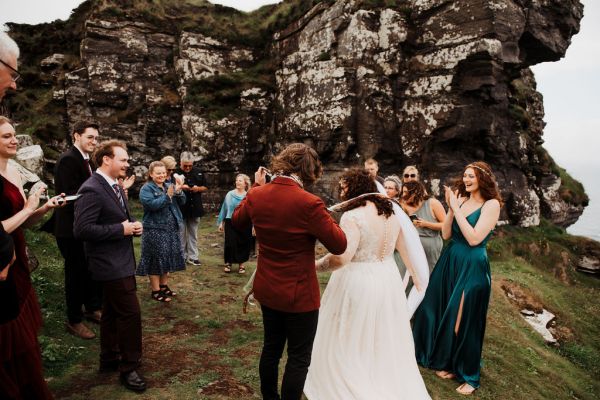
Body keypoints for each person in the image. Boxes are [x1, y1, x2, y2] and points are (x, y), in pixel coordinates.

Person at [232, 143, 347, 400]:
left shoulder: (258, 194)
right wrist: (326, 217)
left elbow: (238, 221)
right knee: (298, 357)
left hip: (268, 288)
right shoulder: (310, 203)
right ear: (309, 170)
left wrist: (255, 187)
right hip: (300, 296)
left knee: (271, 348)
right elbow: (339, 244)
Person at [303, 168, 431, 399]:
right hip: (387, 278)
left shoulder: (353, 216)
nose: (341, 192)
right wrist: (414, 276)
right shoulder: (392, 212)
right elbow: (404, 251)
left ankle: (353, 374)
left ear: (356, 188)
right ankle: (376, 373)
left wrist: (316, 265)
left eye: (344, 187)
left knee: (349, 331)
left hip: (357, 279)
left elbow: (343, 258)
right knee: (379, 332)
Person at [412, 161, 502, 395]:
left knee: (463, 319)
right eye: (465, 176)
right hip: (451, 259)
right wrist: (452, 208)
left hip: (472, 264)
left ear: (483, 179)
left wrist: (456, 207)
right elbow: (446, 233)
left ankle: (469, 377)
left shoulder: (491, 205)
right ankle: (449, 363)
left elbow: (474, 238)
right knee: (436, 309)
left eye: (471, 176)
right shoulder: (461, 200)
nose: (466, 180)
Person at [73, 140, 147, 393]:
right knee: (130, 314)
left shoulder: (114, 185)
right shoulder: (92, 189)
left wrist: (133, 224)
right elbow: (82, 229)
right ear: (106, 159)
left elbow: (120, 217)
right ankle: (130, 367)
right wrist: (121, 229)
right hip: (108, 264)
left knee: (113, 313)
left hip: (121, 260)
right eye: (123, 159)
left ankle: (109, 359)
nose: (127, 164)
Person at [1, 116, 64, 399]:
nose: (14, 140)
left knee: (22, 326)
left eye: (13, 135)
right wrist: (27, 209)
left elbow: (22, 221)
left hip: (17, 253)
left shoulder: (13, 172)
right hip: (1, 259)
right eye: (6, 136)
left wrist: (42, 208)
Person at [50, 121, 103, 339]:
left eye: (96, 138)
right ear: (76, 136)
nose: (94, 141)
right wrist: (99, 199)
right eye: (90, 137)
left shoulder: (85, 160)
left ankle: (91, 308)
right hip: (69, 229)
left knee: (89, 269)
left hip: (83, 226)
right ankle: (74, 320)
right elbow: (68, 195)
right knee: (75, 273)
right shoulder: (68, 159)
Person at [137, 161, 186, 302]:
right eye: (158, 173)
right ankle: (155, 291)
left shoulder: (167, 186)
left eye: (164, 172)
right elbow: (152, 205)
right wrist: (168, 196)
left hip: (171, 229)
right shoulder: (146, 189)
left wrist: (179, 190)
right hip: (155, 230)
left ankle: (164, 287)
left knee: (167, 257)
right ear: (151, 174)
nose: (162, 175)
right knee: (155, 260)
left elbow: (182, 202)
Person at [397, 180, 446, 291]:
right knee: (409, 276)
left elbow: (446, 225)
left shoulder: (432, 203)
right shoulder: (402, 205)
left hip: (431, 246)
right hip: (411, 246)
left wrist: (426, 224)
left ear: (416, 192)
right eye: (403, 192)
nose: (404, 195)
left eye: (407, 192)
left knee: (430, 276)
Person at [217, 173, 252, 274]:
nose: (237, 182)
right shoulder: (230, 194)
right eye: (236, 180)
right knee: (230, 242)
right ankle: (228, 263)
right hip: (230, 221)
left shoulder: (249, 196)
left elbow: (252, 211)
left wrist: (254, 225)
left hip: (244, 222)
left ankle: (241, 264)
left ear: (245, 183)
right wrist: (221, 223)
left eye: (240, 180)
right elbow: (224, 208)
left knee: (243, 243)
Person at [177, 151, 207, 266]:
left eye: (190, 165)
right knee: (180, 233)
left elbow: (205, 187)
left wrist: (198, 189)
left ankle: (193, 257)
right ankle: (181, 257)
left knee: (193, 233)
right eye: (185, 165)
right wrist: (180, 187)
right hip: (180, 208)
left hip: (195, 207)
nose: (188, 168)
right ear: (180, 162)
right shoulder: (175, 172)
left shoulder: (198, 172)